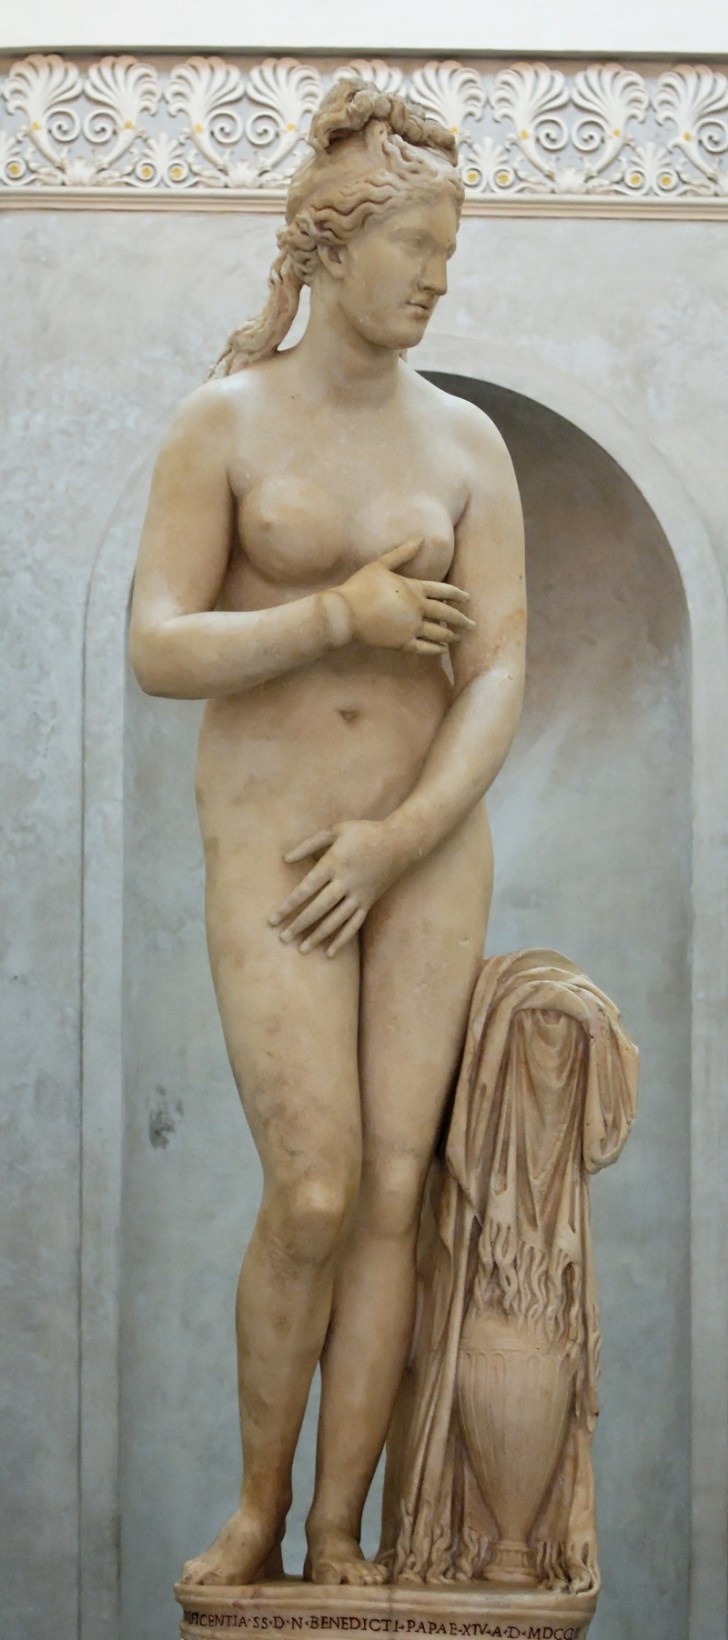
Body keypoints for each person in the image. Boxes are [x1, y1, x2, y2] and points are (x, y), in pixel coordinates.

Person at [129, 76, 526, 1589]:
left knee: (396, 1195)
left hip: (419, 847)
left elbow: (502, 669)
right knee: (314, 1185)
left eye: (449, 253)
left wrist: (403, 835)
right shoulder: (222, 423)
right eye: (417, 247)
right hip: (280, 851)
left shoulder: (469, 444)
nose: (437, 280)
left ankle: (341, 1528)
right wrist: (331, 618)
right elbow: (159, 645)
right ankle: (256, 1507)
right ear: (337, 241)